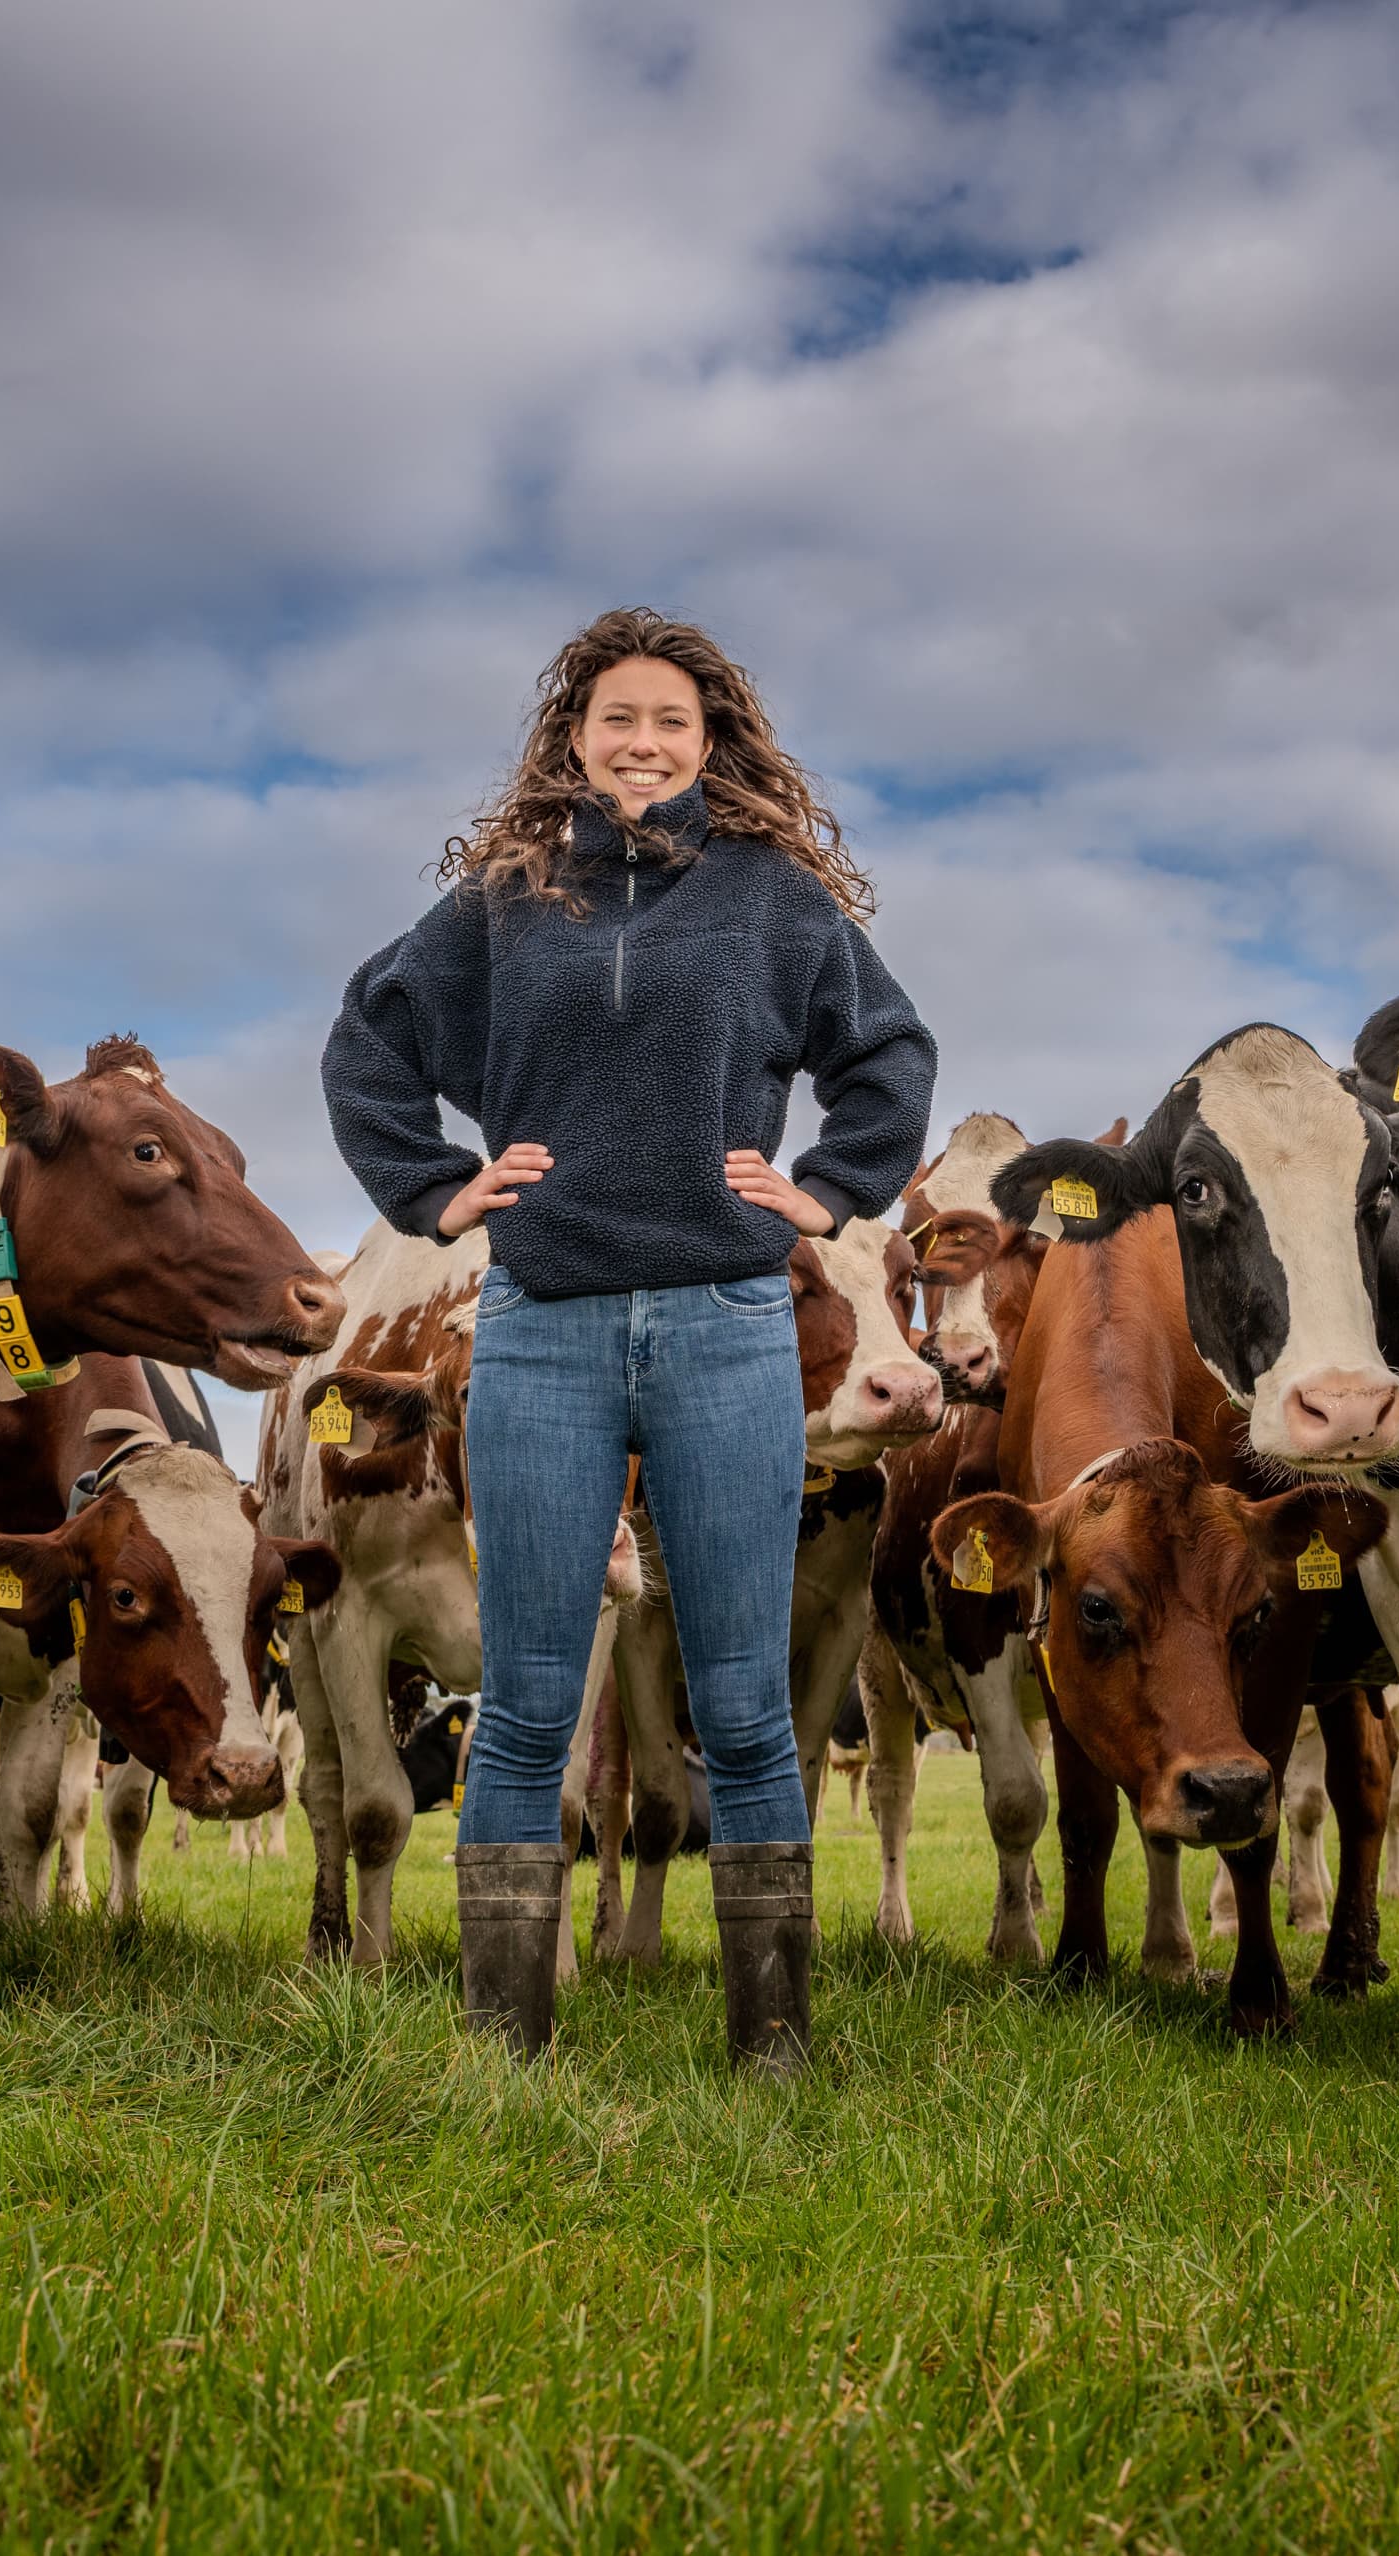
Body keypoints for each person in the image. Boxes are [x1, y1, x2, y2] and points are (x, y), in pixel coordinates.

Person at [322, 608, 937, 2069]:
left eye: (670, 719)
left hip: (728, 1324)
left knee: (744, 1705)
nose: (643, 741)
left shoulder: (774, 903)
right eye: (618, 719)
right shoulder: (503, 903)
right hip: (542, 1327)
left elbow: (887, 1056)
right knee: (529, 1697)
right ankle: (501, 2043)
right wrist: (434, 1189)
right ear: (574, 739)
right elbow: (369, 1042)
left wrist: (828, 1193)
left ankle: (772, 2041)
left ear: (709, 739)